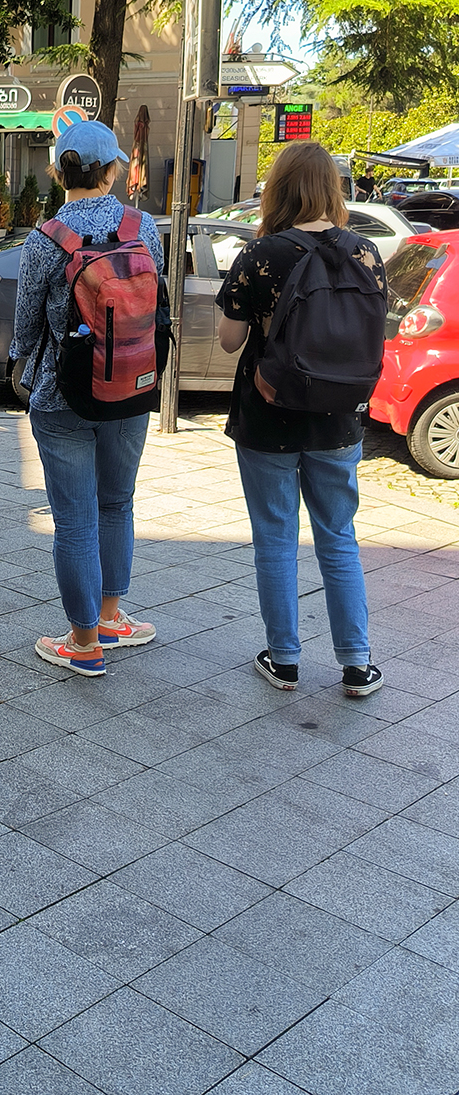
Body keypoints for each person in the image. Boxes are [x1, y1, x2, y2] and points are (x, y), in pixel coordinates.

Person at [216, 140, 384, 697]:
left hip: (269, 414)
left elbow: (227, 341)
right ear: (331, 190)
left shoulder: (262, 255)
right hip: (339, 417)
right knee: (339, 536)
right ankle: (357, 663)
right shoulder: (366, 253)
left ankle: (284, 658)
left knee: (275, 536)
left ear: (279, 189)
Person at [11, 120, 162, 677]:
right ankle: (112, 616)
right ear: (112, 169)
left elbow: (26, 328)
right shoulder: (143, 227)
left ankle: (83, 642)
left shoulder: (46, 239)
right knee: (117, 503)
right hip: (131, 388)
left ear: (58, 171)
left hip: (64, 394)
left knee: (74, 520)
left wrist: (19, 365)